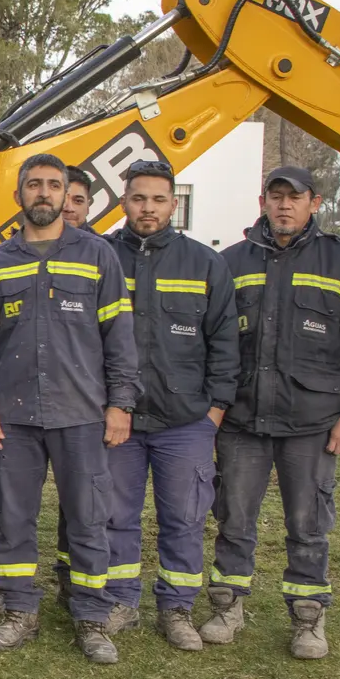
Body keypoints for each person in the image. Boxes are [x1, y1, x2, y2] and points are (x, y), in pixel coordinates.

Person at [204, 165, 340, 659]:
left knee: (308, 524)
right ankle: (226, 605)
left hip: (312, 424)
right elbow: (214, 344)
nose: (284, 205)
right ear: (262, 200)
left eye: (295, 196)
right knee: (233, 517)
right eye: (275, 196)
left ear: (315, 201)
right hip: (243, 420)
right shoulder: (230, 263)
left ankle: (308, 618)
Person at [0, 152, 138, 664]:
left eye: (53, 185)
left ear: (67, 196)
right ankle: (20, 610)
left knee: (88, 517)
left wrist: (120, 403)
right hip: (13, 416)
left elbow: (120, 339)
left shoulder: (98, 255)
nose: (44, 193)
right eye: (34, 185)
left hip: (82, 414)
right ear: (18, 196)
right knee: (14, 518)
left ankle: (90, 617)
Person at [103, 158, 239, 650]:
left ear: (173, 204)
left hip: (186, 422)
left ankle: (177, 608)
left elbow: (225, 343)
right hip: (118, 419)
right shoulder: (102, 257)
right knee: (115, 514)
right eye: (139, 198)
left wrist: (215, 411)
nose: (148, 208)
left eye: (159, 199)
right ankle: (120, 600)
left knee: (183, 518)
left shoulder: (205, 263)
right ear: (124, 202)